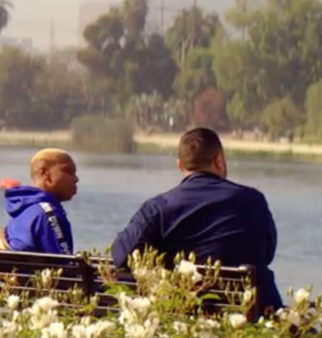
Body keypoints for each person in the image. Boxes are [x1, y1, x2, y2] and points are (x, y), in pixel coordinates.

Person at [111, 128, 284, 313]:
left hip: (188, 316)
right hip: (256, 316)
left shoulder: (158, 208)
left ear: (180, 166)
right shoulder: (253, 200)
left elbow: (121, 256)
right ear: (218, 160)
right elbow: (267, 253)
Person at [0, 148, 78, 254]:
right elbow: (63, 266)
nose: (76, 179)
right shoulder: (49, 215)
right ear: (45, 173)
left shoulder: (24, 209)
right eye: (68, 171)